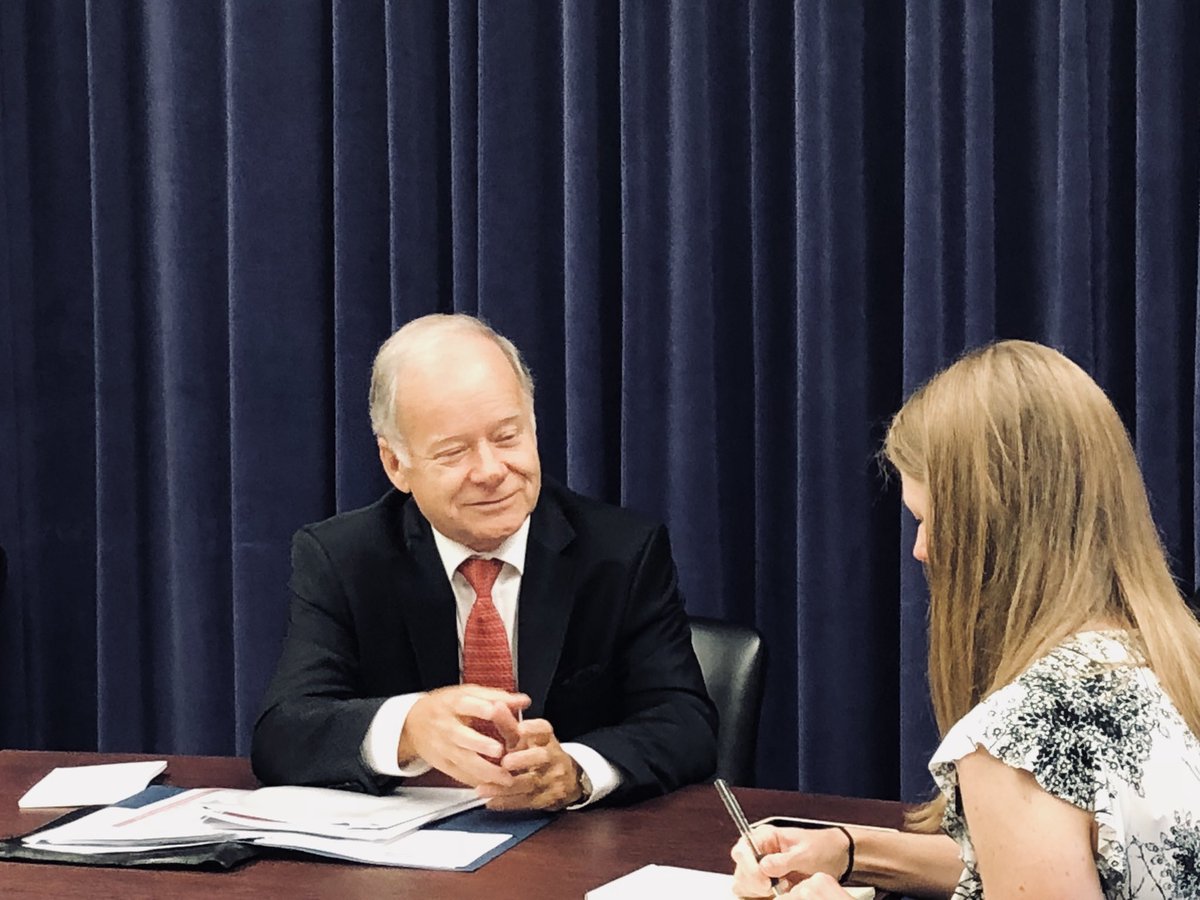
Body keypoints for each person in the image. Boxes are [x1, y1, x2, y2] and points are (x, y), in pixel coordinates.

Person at [732, 340, 1200, 898]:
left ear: (997, 533)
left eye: (928, 521)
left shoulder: (1021, 738)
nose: (920, 551)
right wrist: (853, 850)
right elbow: (1051, 863)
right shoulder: (1171, 657)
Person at [251, 313, 716, 811]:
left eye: (507, 436)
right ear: (395, 464)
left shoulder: (620, 551)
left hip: (572, 855)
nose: (491, 471)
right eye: (454, 452)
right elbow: (282, 734)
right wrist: (408, 728)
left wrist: (577, 770)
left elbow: (685, 722)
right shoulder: (343, 558)